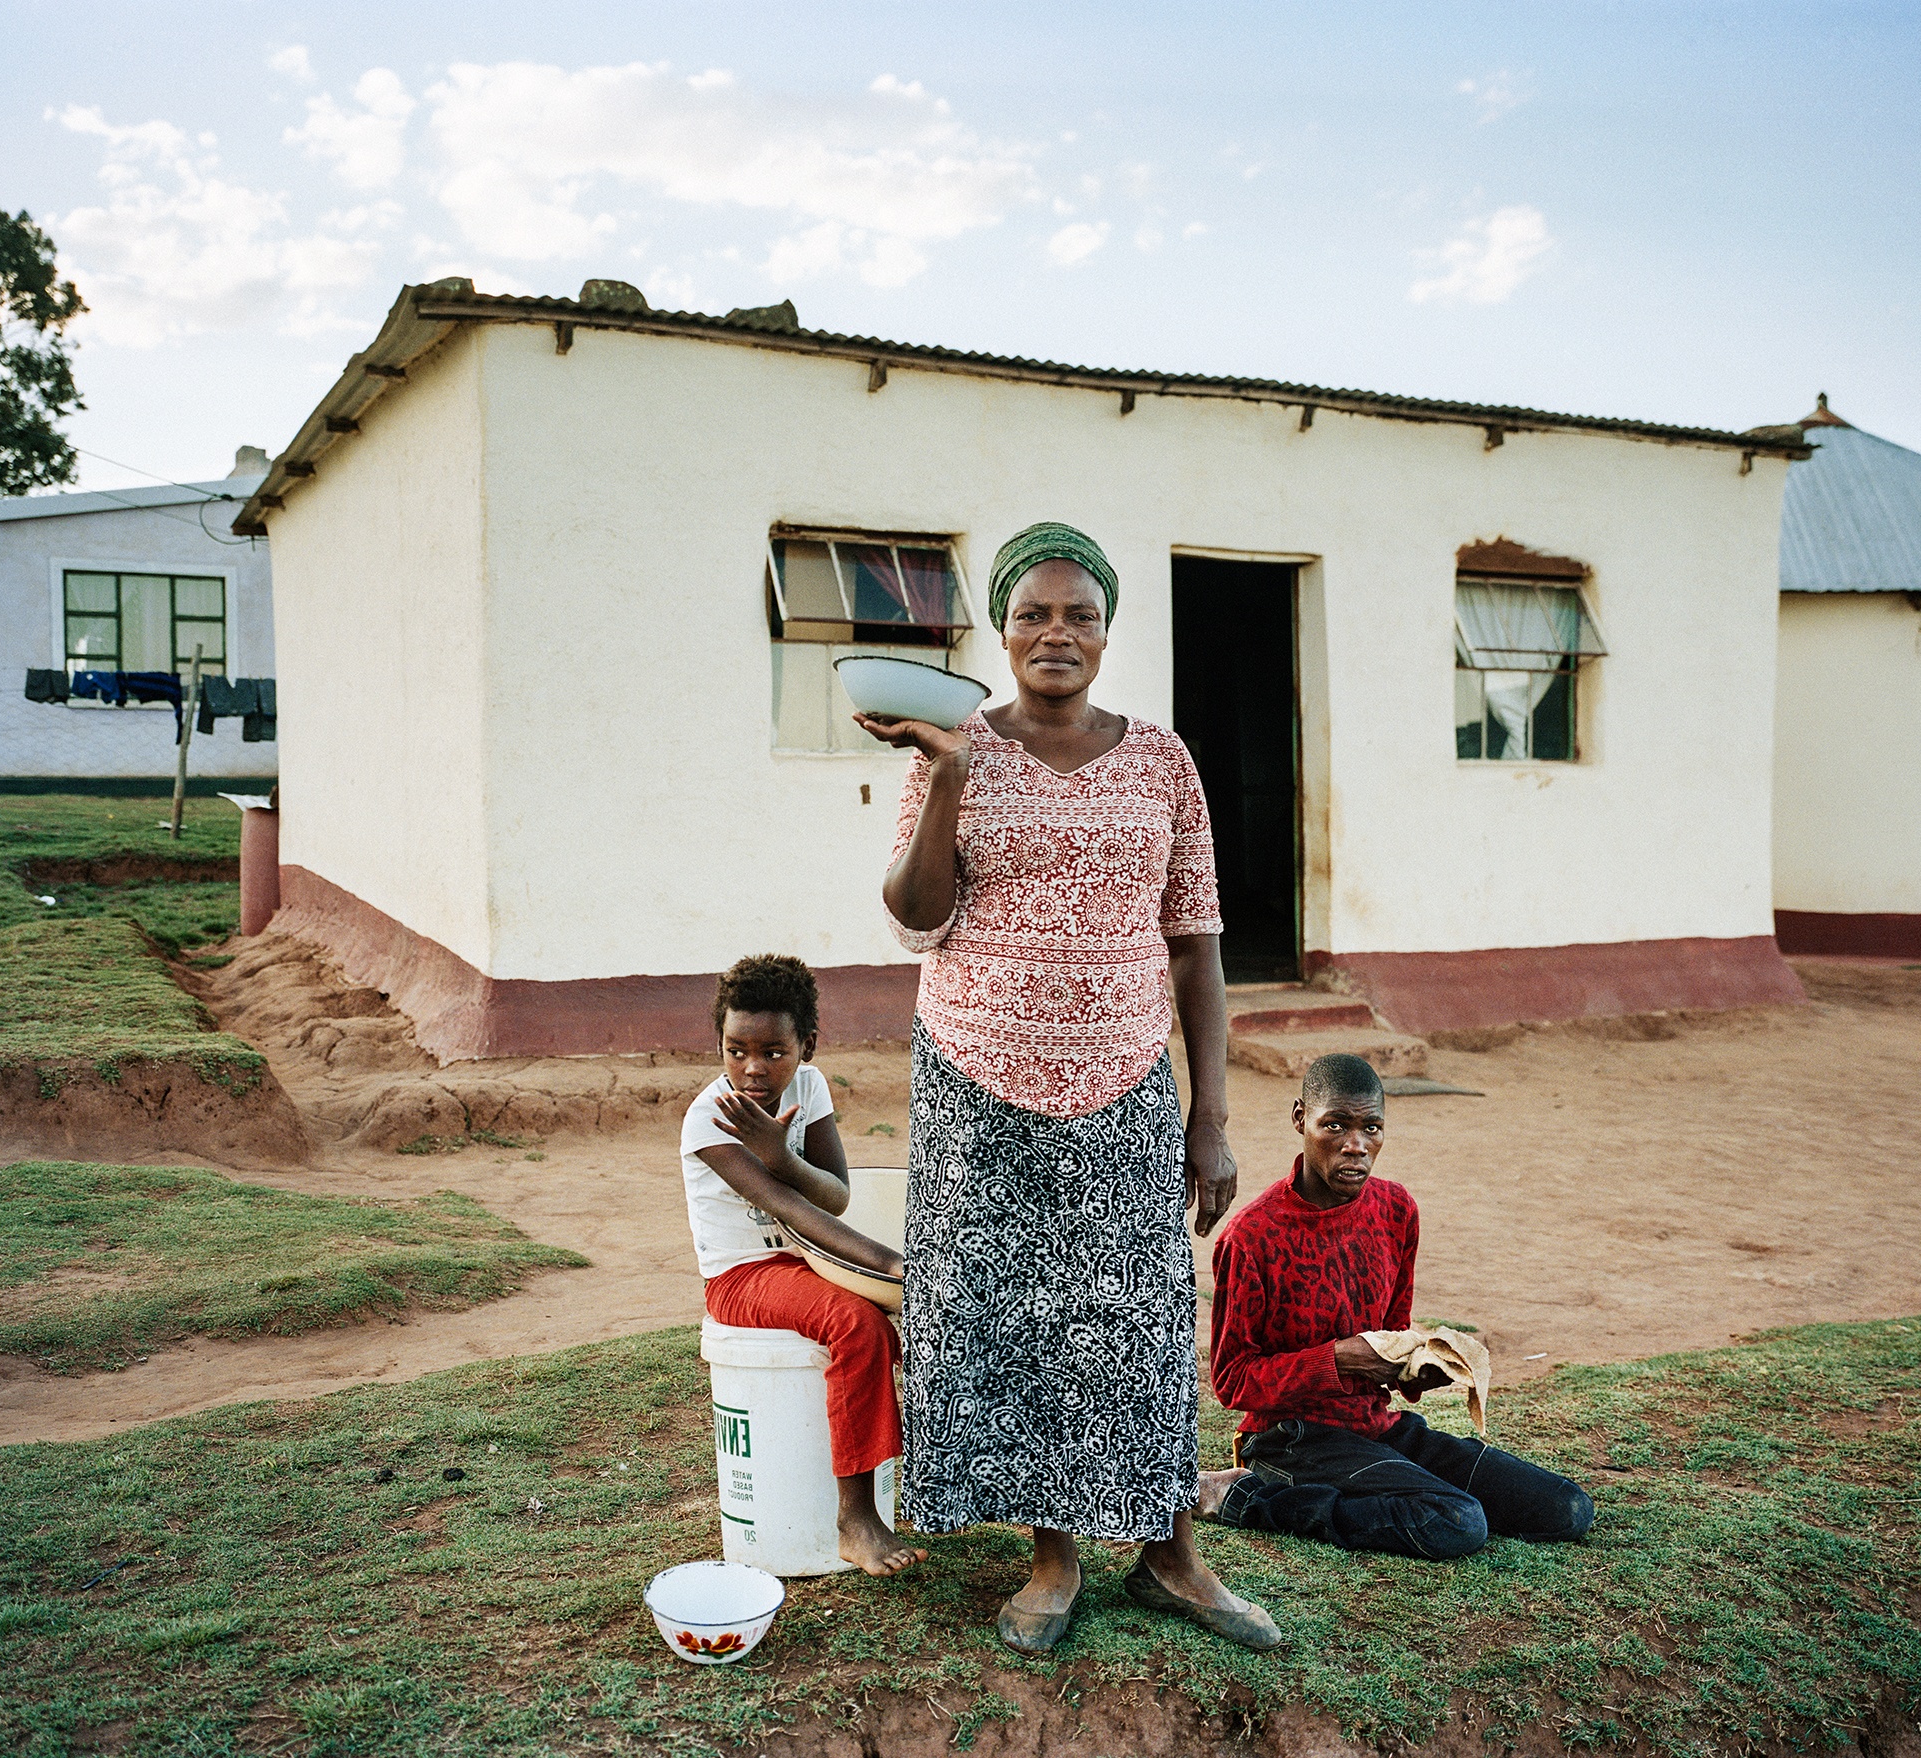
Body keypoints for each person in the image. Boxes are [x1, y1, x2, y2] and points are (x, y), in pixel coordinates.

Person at [857, 521, 1280, 1655]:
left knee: (1136, 1321)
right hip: (975, 1080)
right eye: (1034, 613)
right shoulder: (947, 747)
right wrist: (944, 778)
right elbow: (912, 914)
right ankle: (1052, 1560)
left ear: (1106, 631)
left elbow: (1197, 946)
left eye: (1078, 614)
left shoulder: (1162, 761)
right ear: (1000, 629)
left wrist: (1211, 1120)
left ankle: (1170, 1557)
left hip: (1129, 1078)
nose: (1056, 633)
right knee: (1017, 1318)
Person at [1201, 1052, 1595, 1559]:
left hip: (1376, 1425)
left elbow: (1392, 1334)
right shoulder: (1252, 1238)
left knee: (1566, 1508)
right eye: (1335, 1126)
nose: (1355, 1146)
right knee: (1456, 1520)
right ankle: (1244, 1498)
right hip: (1293, 1440)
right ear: (1301, 1119)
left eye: (1372, 1129)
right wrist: (1339, 1359)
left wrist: (1416, 1369)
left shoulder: (1395, 1210)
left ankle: (1376, 1483)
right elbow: (1233, 1380)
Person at [679, 953, 925, 1577]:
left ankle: (925, 1476)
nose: (752, 1069)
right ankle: (855, 1518)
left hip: (806, 1261)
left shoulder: (811, 1088)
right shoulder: (711, 1117)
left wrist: (781, 1154)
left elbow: (834, 1193)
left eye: (773, 1052)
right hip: (741, 1278)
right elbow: (788, 1206)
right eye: (735, 1050)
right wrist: (893, 1264)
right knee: (859, 1324)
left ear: (806, 1045)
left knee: (908, 1322)